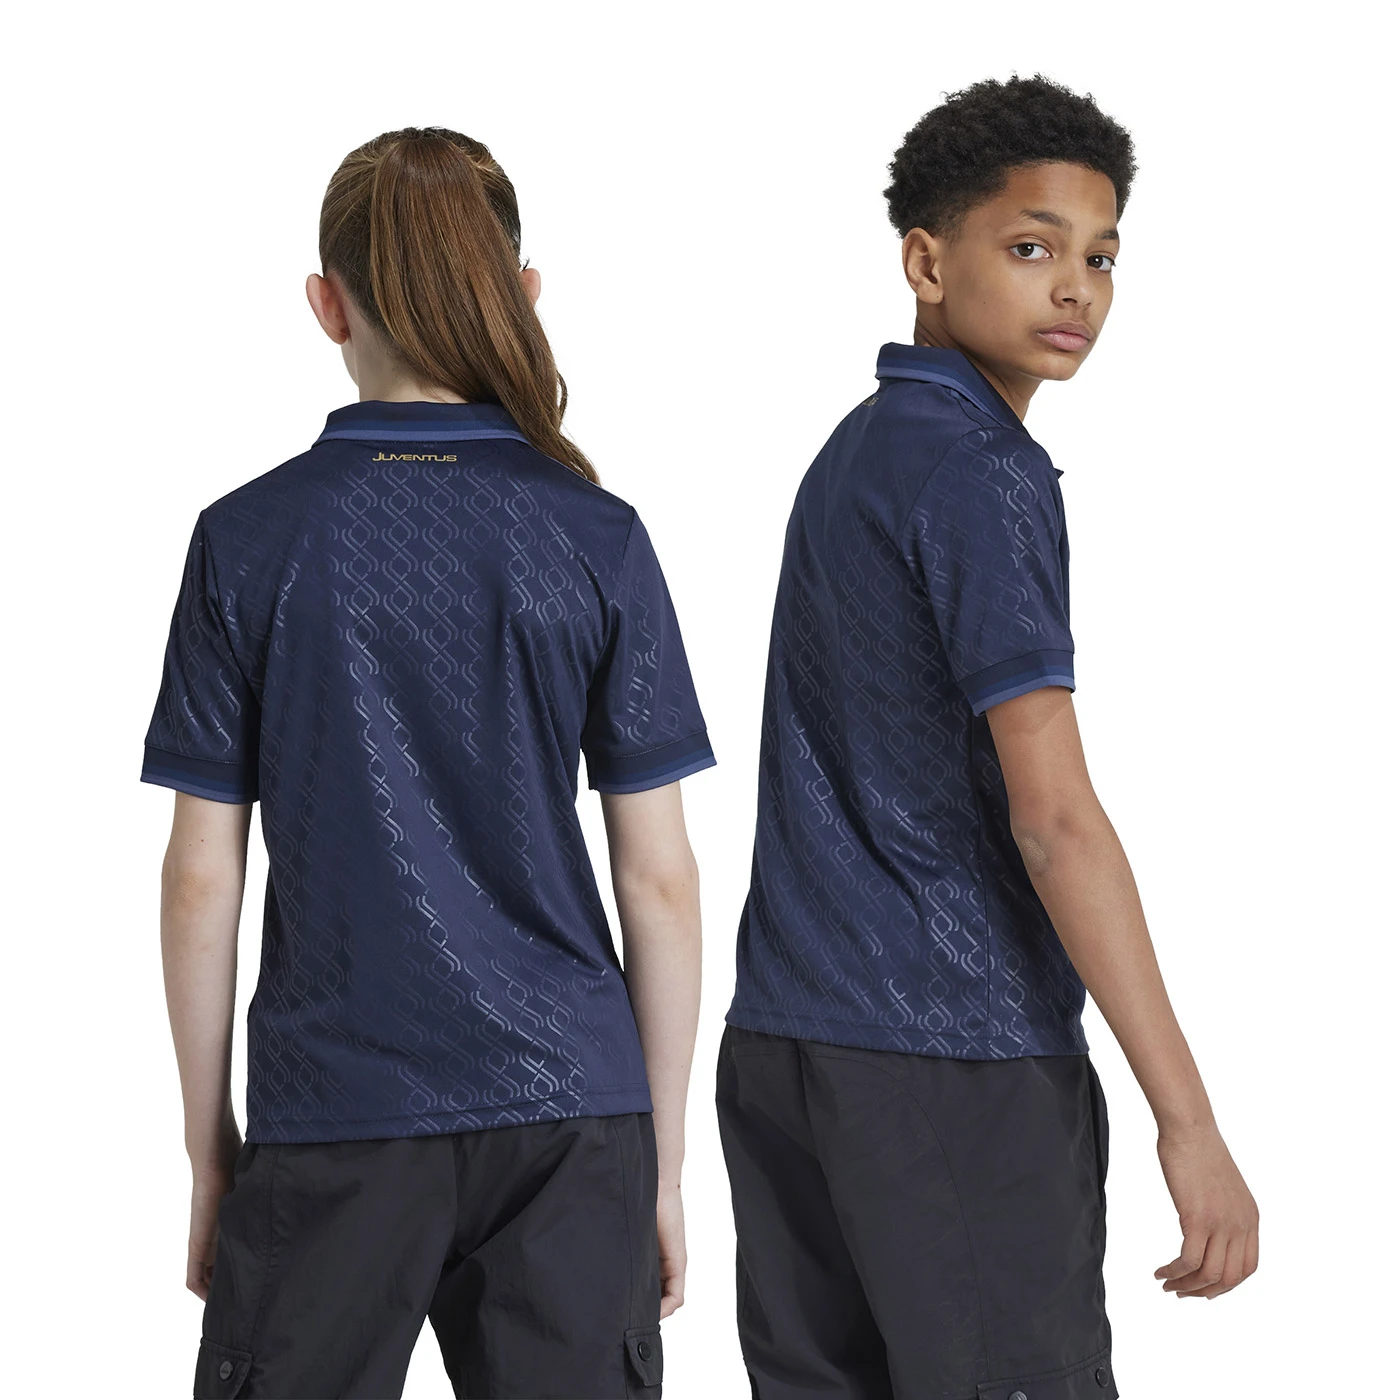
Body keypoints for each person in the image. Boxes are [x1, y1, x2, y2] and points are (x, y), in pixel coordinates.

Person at [140, 126, 715, 1400]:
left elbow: (200, 879)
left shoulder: (247, 540)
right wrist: (662, 1163)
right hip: (571, 1110)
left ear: (325, 305)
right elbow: (661, 882)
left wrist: (208, 1149)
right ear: (523, 293)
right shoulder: (597, 536)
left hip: (333, 1107)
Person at [714, 74, 1258, 1400]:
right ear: (925, 261)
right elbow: (1054, 819)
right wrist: (1187, 1122)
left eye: (1101, 257)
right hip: (952, 1048)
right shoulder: (980, 472)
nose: (1075, 288)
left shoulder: (857, 451)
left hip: (786, 1045)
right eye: (1029, 247)